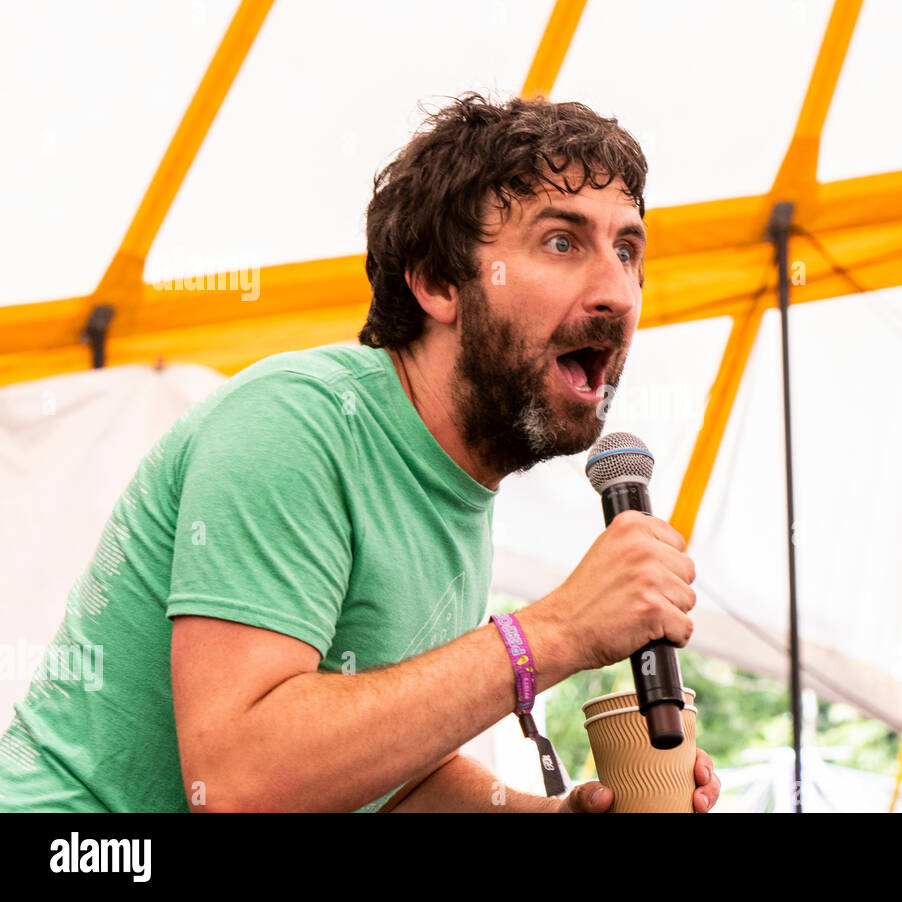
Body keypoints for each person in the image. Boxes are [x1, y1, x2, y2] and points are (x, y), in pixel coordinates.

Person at [0, 93, 721, 813]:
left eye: (627, 251)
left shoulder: (459, 485)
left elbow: (389, 778)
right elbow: (236, 782)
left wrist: (556, 816)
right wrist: (556, 631)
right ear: (438, 280)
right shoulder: (295, 423)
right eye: (562, 242)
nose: (618, 293)